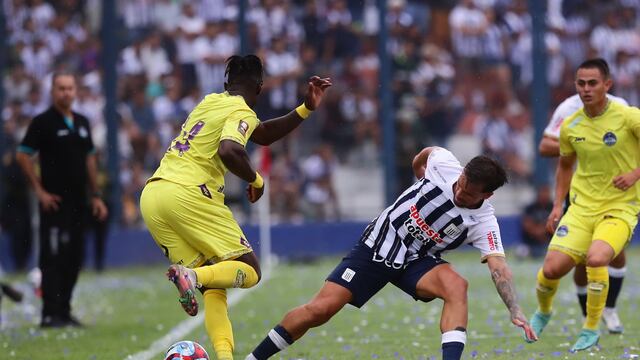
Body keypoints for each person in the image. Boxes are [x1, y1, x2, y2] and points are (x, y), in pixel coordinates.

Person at [246, 147, 537, 360]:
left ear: (487, 196)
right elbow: (424, 156)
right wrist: (417, 174)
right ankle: (254, 358)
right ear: (461, 173)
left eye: (468, 194)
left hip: (417, 260)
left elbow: (499, 266)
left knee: (457, 285)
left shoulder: (484, 222)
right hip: (380, 243)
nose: (460, 192)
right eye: (460, 184)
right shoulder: (444, 163)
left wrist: (515, 309)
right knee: (320, 310)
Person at [139, 55, 331, 360]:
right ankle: (192, 277)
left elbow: (262, 134)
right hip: (189, 194)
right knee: (251, 270)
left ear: (226, 83)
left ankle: (224, 355)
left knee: (215, 286)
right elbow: (229, 150)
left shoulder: (209, 102)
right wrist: (256, 180)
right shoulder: (241, 110)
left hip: (153, 195)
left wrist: (305, 108)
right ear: (260, 87)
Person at [530, 58, 640, 351]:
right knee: (552, 270)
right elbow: (564, 165)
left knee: (596, 258)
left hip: (619, 208)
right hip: (580, 208)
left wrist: (635, 174)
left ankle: (591, 327)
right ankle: (544, 310)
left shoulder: (628, 116)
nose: (586, 89)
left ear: (607, 85)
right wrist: (557, 206)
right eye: (581, 83)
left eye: (593, 83)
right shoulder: (572, 124)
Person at [16, 72, 108, 328]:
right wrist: (39, 191)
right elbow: (23, 155)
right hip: (54, 202)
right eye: (61, 88)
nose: (66, 93)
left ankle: (65, 310)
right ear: (52, 91)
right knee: (52, 257)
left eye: (70, 88)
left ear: (75, 91)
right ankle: (49, 313)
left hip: (80, 202)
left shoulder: (82, 122)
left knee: (75, 257)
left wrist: (96, 195)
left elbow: (90, 159)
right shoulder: (42, 122)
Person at [519, 185, 553, 259]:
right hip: (530, 243)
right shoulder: (530, 207)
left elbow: (556, 223)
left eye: (547, 192)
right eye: (543, 192)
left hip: (548, 242)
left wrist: (542, 231)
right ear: (538, 193)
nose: (545, 195)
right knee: (521, 252)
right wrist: (538, 232)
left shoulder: (553, 207)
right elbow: (526, 224)